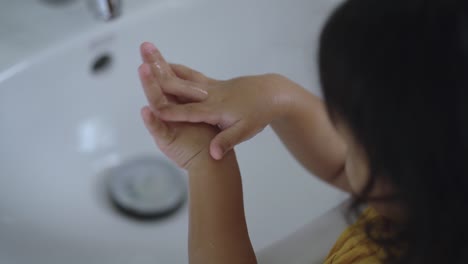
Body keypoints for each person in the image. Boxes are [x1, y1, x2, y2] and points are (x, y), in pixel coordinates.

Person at [136, 0, 468, 263]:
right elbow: (349, 170)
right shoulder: (437, 207)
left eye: (352, 138)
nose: (340, 139)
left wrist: (207, 164)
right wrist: (278, 96)